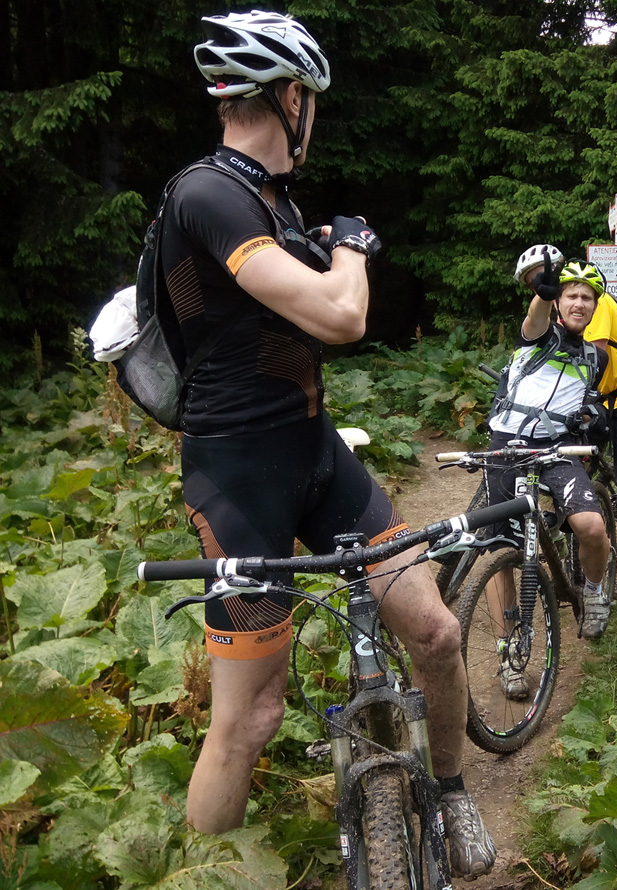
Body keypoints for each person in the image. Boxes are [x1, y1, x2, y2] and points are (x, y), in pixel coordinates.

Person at [169, 11, 495, 878]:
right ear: (290, 98)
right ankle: (202, 872)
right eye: (309, 99)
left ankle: (452, 792)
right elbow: (343, 315)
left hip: (314, 455)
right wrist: (351, 247)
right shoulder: (207, 194)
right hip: (236, 476)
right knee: (248, 719)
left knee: (435, 632)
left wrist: (318, 243)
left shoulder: (269, 199)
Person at [512, 246, 617, 599]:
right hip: (605, 396)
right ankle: (570, 545)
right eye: (532, 283)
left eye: (540, 277)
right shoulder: (558, 303)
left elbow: (594, 356)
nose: (537, 285)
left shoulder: (594, 300)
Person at [487, 253, 614, 655]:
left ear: (595, 306)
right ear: (559, 302)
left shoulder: (596, 356)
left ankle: (593, 590)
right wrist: (542, 296)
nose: (579, 303)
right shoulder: (540, 335)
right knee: (502, 547)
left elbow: (586, 397)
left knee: (592, 528)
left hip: (558, 447)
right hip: (508, 444)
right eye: (571, 295)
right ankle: (508, 648)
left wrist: (592, 414)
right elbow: (533, 321)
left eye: (587, 297)